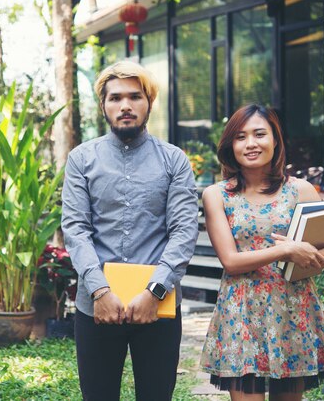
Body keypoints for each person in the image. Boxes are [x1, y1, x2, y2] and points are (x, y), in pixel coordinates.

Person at [61, 61, 199, 401]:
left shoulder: (174, 160)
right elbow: (76, 228)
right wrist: (99, 291)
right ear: (104, 105)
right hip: (96, 305)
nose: (125, 106)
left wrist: (154, 292)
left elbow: (183, 230)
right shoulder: (81, 159)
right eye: (116, 98)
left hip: (158, 306)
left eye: (135, 97)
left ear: (149, 102)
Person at [199, 104, 324, 401]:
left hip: (293, 310)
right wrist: (286, 250)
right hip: (241, 313)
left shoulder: (301, 190)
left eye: (259, 134)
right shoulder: (217, 195)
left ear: (275, 140)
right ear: (231, 145)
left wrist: (302, 254)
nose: (251, 143)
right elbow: (230, 261)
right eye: (241, 137)